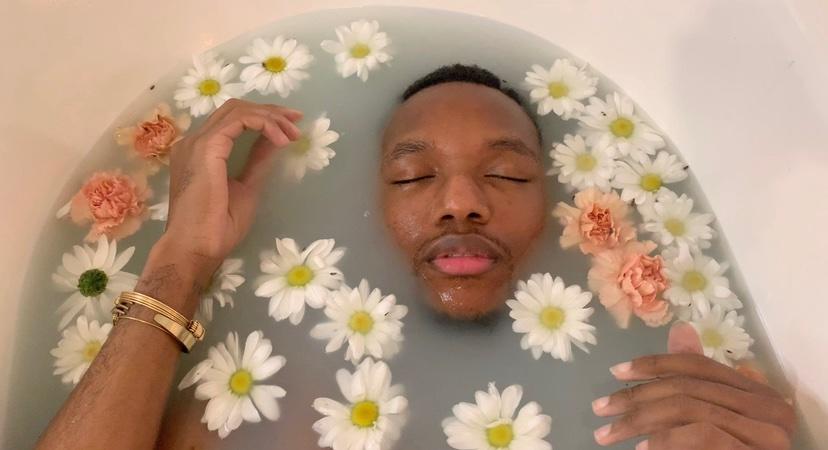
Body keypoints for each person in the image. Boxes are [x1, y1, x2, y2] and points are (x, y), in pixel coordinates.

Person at [36, 65, 797, 450]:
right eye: (412, 175)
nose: (459, 200)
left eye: (507, 173)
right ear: (368, 205)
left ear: (561, 206)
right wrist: (183, 256)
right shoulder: (267, 405)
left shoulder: (680, 398)